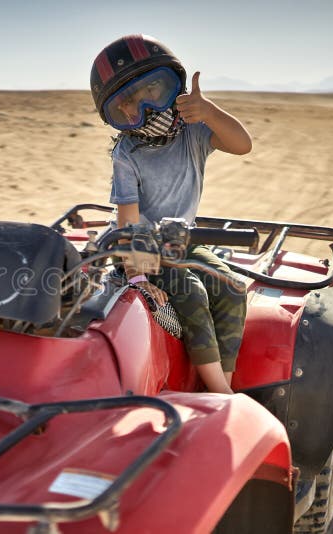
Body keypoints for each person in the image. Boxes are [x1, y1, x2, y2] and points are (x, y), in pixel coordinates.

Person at [90, 35, 252, 394]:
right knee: (190, 292)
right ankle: (219, 393)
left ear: (173, 86)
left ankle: (224, 381)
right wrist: (137, 279)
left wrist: (208, 111)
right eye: (126, 109)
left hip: (183, 243)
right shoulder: (127, 153)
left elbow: (243, 144)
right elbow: (128, 219)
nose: (142, 113)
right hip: (141, 251)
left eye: (151, 93)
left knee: (233, 288)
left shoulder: (194, 133)